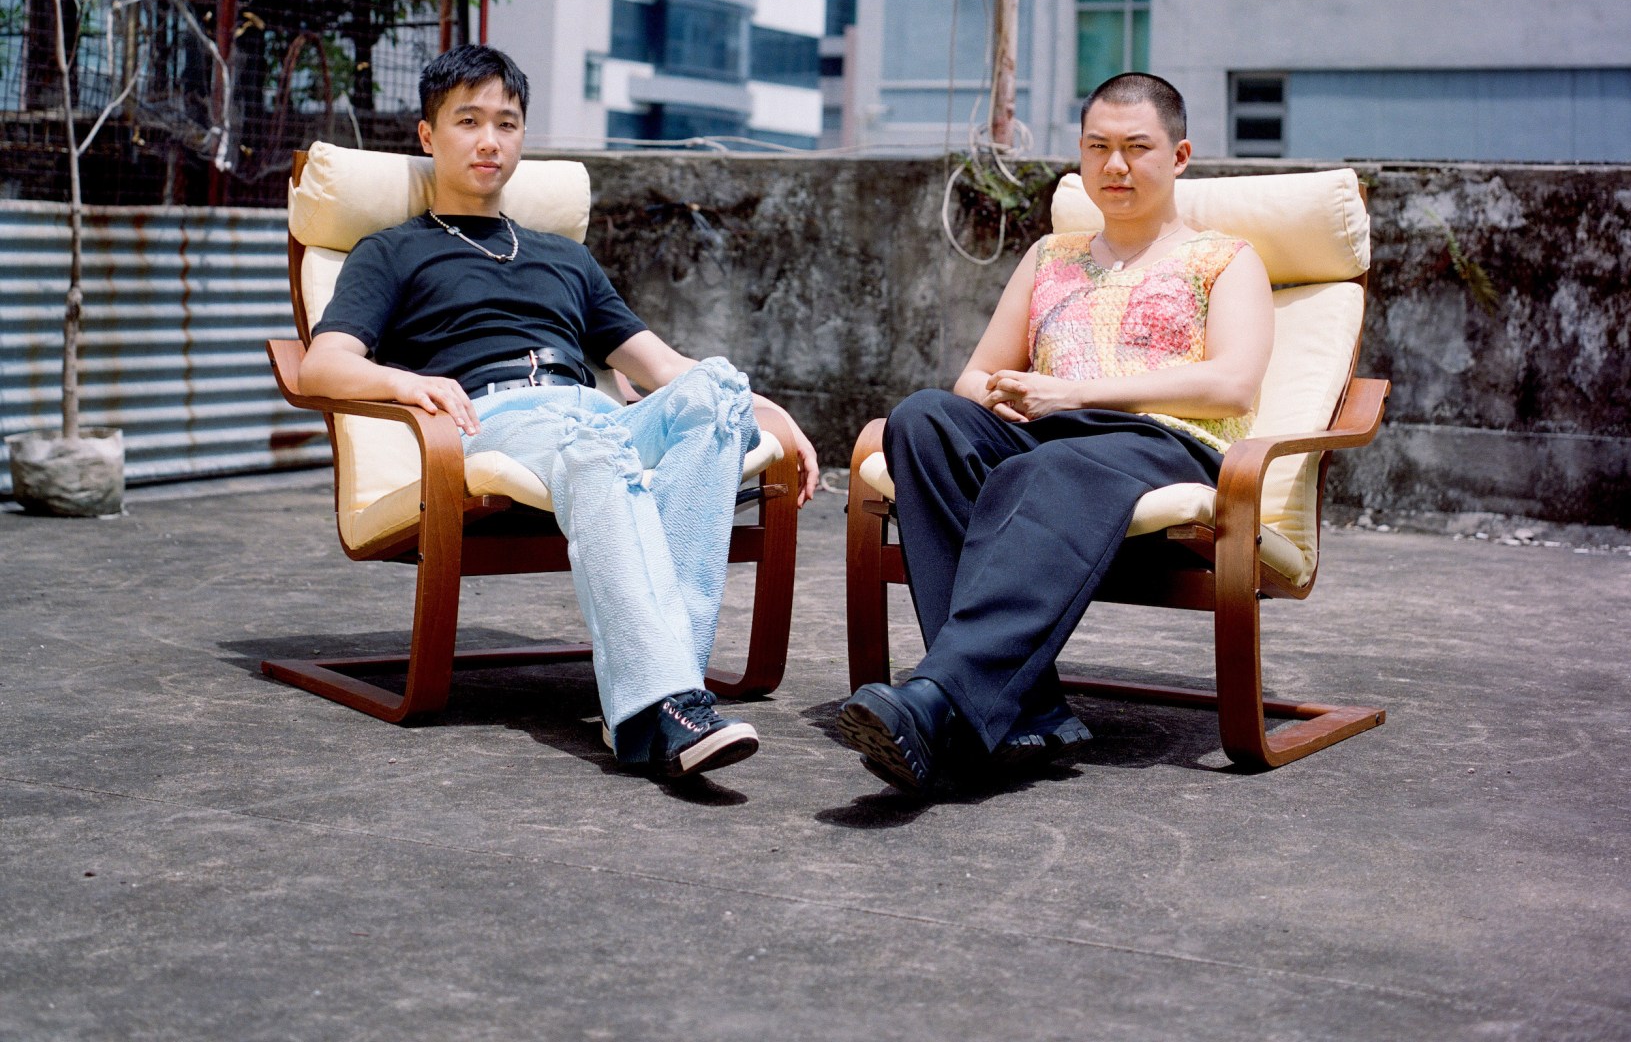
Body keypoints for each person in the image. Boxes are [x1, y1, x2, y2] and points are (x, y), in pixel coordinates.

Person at [298, 43, 820, 782]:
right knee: (594, 444)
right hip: (498, 418)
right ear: (427, 136)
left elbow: (668, 371)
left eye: (506, 124)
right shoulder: (392, 251)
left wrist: (766, 411)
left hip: (592, 412)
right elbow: (323, 364)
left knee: (716, 390)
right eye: (467, 121)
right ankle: (667, 700)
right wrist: (406, 383)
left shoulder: (564, 258)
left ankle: (652, 700)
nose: (488, 140)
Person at [837, 72, 1274, 795]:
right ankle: (1019, 711)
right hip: (1049, 435)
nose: (1115, 166)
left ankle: (937, 697)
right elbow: (975, 378)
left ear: (1181, 155)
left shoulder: (1224, 260)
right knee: (922, 420)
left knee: (1047, 467)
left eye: (1137, 148)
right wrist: (1008, 398)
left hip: (1160, 444)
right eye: (1097, 147)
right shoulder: (1049, 256)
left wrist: (1075, 393)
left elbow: (1230, 385)